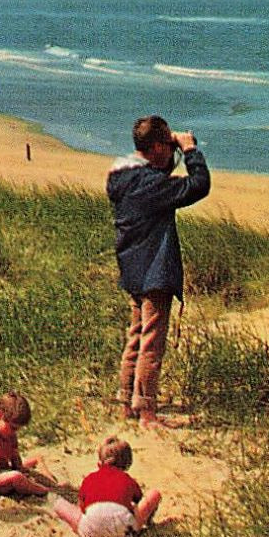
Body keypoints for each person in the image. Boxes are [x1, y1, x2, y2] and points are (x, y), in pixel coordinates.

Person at [107, 114, 211, 430]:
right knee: (152, 342)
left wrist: (172, 150)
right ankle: (147, 410)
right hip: (154, 269)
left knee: (136, 337)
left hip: (133, 267)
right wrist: (190, 150)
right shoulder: (151, 186)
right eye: (165, 146)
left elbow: (157, 172)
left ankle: (126, 401)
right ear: (154, 147)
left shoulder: (121, 179)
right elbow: (198, 186)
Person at [53, 436, 162, 537]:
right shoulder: (128, 480)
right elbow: (139, 501)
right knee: (154, 494)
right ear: (127, 464)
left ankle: (77, 530)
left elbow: (82, 508)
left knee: (59, 505)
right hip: (126, 531)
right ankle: (148, 525)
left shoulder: (89, 479)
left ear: (99, 463)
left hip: (91, 534)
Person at [0, 391, 55, 501]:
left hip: (4, 470)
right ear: (0, 415)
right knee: (15, 477)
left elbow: (15, 458)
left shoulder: (9, 434)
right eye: (13, 428)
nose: (14, 432)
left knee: (30, 465)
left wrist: (23, 471)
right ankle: (43, 490)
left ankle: (53, 484)